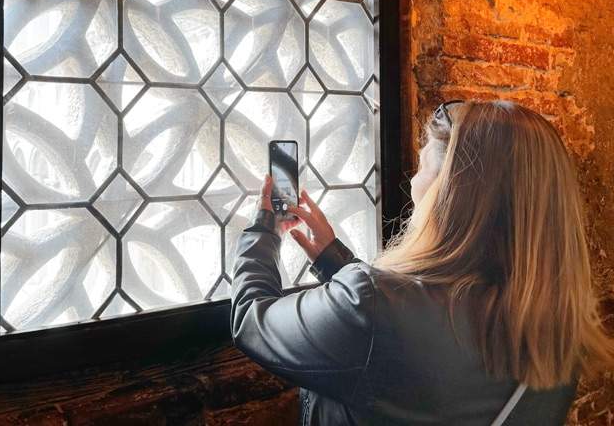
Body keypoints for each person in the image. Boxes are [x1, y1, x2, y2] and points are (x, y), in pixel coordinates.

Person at [231, 100, 613, 425]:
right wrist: (335, 260)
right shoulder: (560, 324)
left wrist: (264, 229)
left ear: (451, 193)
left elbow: (252, 318)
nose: (413, 182)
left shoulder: (373, 307)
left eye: (422, 166)